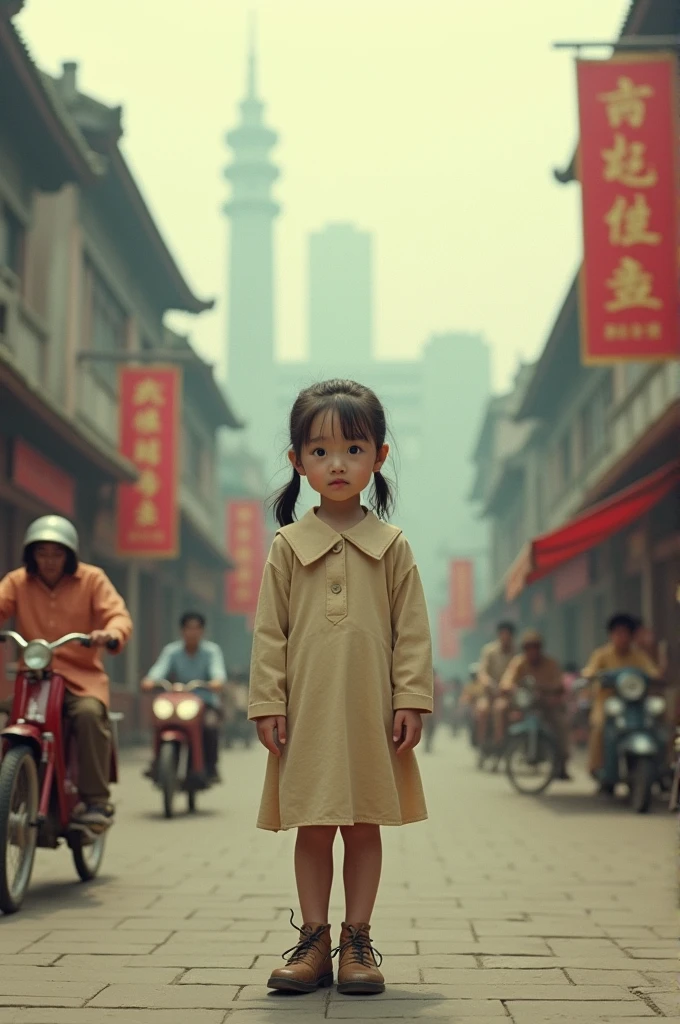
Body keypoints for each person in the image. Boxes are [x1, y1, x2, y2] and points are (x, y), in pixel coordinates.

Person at [248, 379, 433, 997]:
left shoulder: (393, 547)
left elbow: (411, 632)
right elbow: (269, 633)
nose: (336, 464)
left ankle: (358, 940)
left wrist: (411, 698)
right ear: (297, 461)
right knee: (312, 823)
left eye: (353, 449)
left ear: (379, 456)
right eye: (320, 451)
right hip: (305, 712)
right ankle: (314, 941)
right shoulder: (287, 546)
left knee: (363, 823)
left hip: (371, 713)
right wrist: (268, 702)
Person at [0, 515, 131, 830]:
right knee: (8, 714)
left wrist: (110, 633)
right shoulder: (18, 581)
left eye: (56, 554)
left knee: (88, 714)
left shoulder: (92, 579)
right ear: (31, 554)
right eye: (41, 553)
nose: (48, 561)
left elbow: (117, 615)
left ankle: (96, 800)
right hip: (33, 679)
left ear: (69, 555)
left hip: (80, 679)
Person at [141, 612, 226, 782]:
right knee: (160, 722)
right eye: (188, 628)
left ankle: (210, 766)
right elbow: (158, 670)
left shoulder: (211, 651)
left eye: (196, 628)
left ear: (203, 631)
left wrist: (215, 682)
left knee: (209, 726)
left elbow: (218, 675)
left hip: (204, 702)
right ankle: (157, 762)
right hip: (177, 703)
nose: (192, 632)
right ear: (181, 631)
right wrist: (150, 680)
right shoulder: (172, 651)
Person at [582, 612, 661, 786]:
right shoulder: (602, 654)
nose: (621, 637)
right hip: (608, 702)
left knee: (657, 724)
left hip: (635, 703)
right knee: (600, 727)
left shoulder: (638, 655)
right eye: (618, 633)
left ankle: (662, 769)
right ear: (611, 635)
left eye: (625, 633)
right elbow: (589, 671)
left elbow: (652, 671)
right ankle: (598, 767)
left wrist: (655, 675)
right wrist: (592, 675)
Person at [498, 630, 571, 779]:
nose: (532, 652)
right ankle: (500, 747)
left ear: (540, 648)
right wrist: (511, 688)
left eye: (535, 648)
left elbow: (559, 683)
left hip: (547, 704)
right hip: (525, 704)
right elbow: (507, 680)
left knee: (561, 724)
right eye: (528, 648)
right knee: (502, 709)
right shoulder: (519, 663)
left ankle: (562, 762)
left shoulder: (550, 664)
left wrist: (545, 689)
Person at [476, 621, 516, 748]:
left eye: (508, 634)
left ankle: (499, 742)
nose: (505, 637)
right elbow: (482, 672)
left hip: (509, 695)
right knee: (482, 710)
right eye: (502, 634)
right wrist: (489, 683)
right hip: (490, 693)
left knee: (500, 708)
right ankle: (483, 744)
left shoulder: (517, 652)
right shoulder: (489, 651)